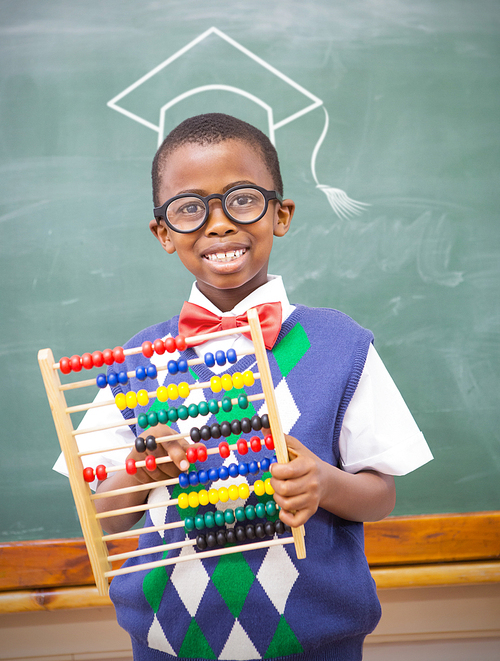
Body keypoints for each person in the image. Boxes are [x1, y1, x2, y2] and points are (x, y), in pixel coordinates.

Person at [54, 113, 432, 661]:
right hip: (168, 643)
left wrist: (323, 484)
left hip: (314, 642)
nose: (220, 224)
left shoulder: (339, 345)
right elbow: (104, 517)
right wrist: (140, 470)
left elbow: (382, 495)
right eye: (189, 208)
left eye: (242, 199)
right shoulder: (137, 363)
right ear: (163, 233)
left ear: (280, 215)